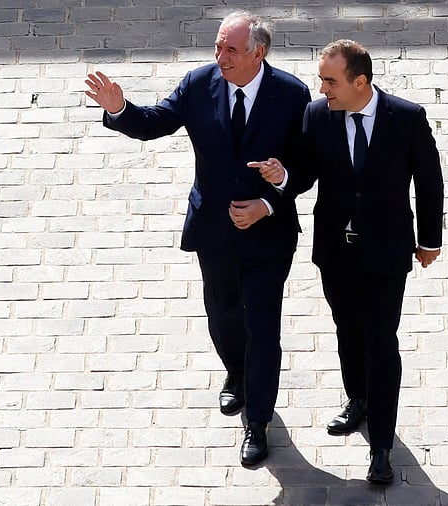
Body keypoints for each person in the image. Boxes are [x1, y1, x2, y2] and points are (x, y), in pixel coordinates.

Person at [84, 11, 310, 467]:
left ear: (257, 53)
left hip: (268, 232)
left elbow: (306, 166)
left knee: (263, 328)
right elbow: (155, 122)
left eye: (230, 49)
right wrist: (118, 109)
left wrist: (270, 198)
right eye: (218, 46)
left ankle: (258, 422)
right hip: (215, 232)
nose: (219, 56)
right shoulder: (198, 82)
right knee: (223, 315)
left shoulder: (292, 95)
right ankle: (237, 372)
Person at [250, 39, 444, 483]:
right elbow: (305, 171)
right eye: (321, 79)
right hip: (336, 251)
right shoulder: (319, 116)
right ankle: (356, 398)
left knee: (381, 340)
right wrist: (283, 177)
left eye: (330, 81)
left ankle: (381, 445)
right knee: (347, 331)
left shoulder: (406, 118)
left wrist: (430, 239)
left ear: (361, 81)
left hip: (387, 252)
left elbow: (429, 180)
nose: (322, 89)